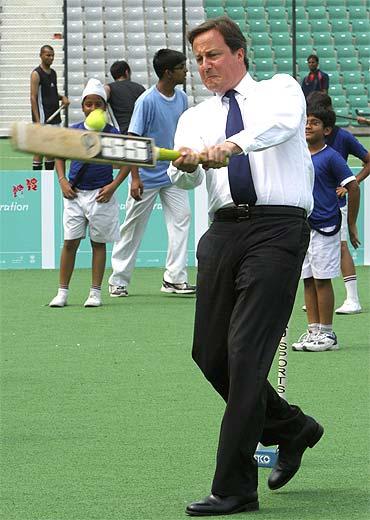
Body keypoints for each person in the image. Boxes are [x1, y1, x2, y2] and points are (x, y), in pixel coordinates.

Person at [167, 16, 323, 516]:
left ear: (238, 52)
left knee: (245, 353)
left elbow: (275, 128)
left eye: (212, 55)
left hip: (278, 230)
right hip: (223, 231)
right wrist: (186, 165)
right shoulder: (194, 116)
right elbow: (184, 180)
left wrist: (232, 145)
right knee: (209, 355)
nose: (204, 66)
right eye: (198, 59)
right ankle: (294, 428)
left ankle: (234, 488)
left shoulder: (280, 90)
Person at [108, 49, 196, 297]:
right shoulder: (146, 101)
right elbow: (132, 140)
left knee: (182, 218)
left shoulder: (182, 99)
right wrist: (135, 178)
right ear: (168, 73)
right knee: (132, 227)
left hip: (172, 174)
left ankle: (174, 278)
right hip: (145, 178)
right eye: (181, 67)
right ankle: (119, 280)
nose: (186, 71)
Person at [49, 79, 133, 308]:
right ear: (82, 106)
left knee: (98, 243)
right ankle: (62, 292)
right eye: (89, 104)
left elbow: (127, 162)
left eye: (98, 104)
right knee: (69, 243)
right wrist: (62, 180)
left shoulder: (112, 133)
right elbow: (58, 155)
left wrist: (114, 185)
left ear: (105, 108)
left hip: (101, 195)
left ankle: (95, 292)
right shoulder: (73, 130)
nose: (93, 108)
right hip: (74, 196)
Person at [292, 107, 360, 352]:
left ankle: (327, 334)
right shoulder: (299, 156)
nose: (308, 126)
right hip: (304, 228)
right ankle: (313, 331)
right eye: (306, 122)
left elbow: (353, 187)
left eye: (315, 122)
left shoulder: (331, 157)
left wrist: (351, 224)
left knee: (321, 280)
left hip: (326, 227)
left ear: (327, 130)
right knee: (307, 280)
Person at [307, 92, 370, 314]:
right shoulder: (305, 141)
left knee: (342, 246)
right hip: (314, 209)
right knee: (313, 257)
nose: (309, 124)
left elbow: (367, 161)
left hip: (335, 206)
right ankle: (318, 300)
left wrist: (351, 183)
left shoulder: (343, 138)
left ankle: (353, 298)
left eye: (315, 119)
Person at [30, 44, 69, 170]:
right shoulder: (36, 74)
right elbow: (33, 97)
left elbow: (51, 93)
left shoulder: (53, 73)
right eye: (48, 55)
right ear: (41, 55)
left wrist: (62, 98)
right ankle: (36, 178)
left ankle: (48, 181)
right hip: (43, 118)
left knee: (51, 151)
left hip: (55, 117)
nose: (51, 58)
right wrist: (37, 121)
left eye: (52, 55)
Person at [104, 60, 146, 134]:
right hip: (141, 132)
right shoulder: (140, 88)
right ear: (127, 72)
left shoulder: (109, 88)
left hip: (123, 134)